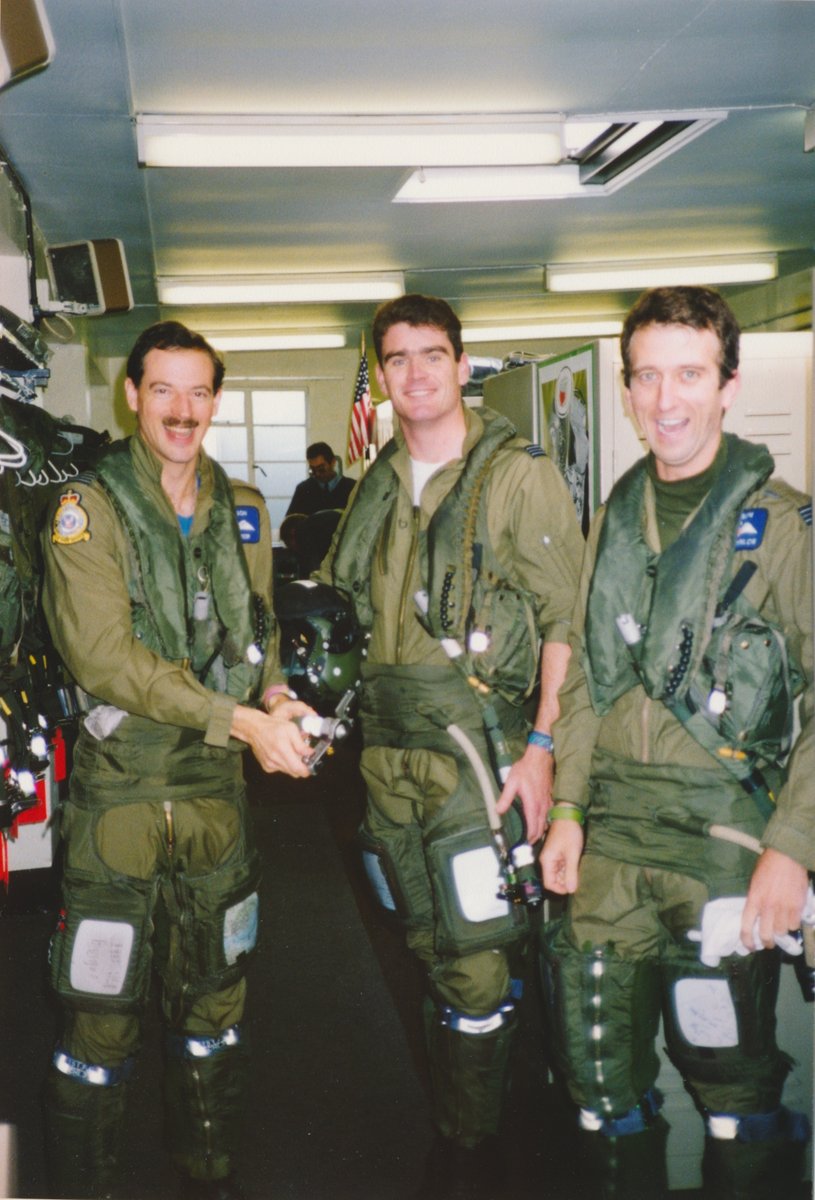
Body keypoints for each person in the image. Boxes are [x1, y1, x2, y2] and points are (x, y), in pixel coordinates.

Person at [540, 286, 813, 1199]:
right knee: (597, 1086)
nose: (666, 399)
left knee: (730, 1088)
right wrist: (568, 810)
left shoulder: (784, 526)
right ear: (624, 390)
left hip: (724, 847)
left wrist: (793, 848)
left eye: (688, 373)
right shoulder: (611, 520)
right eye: (647, 376)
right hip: (612, 839)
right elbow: (578, 680)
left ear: (727, 384)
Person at [39, 320, 314, 1200]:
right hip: (120, 804)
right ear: (133, 395)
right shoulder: (89, 507)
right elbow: (104, 658)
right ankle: (89, 1183)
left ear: (216, 402)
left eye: (199, 392)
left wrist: (275, 699)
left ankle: (209, 1169)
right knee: (103, 1013)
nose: (182, 410)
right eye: (164, 390)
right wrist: (236, 717)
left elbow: (257, 634)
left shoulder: (244, 509)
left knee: (215, 1003)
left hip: (213, 805)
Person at [319, 294, 583, 1197]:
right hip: (388, 760)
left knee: (474, 954)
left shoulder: (516, 476)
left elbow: (564, 622)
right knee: (429, 944)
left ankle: (473, 1151)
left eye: (433, 355)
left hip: (478, 751)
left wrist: (543, 744)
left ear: (462, 364)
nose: (416, 374)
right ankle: (476, 1116)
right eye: (397, 359)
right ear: (381, 375)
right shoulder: (378, 480)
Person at [284, 440, 355, 518]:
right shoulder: (303, 489)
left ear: (333, 462)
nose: (317, 474)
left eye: (321, 469)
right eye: (312, 470)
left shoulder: (352, 488)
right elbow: (290, 523)